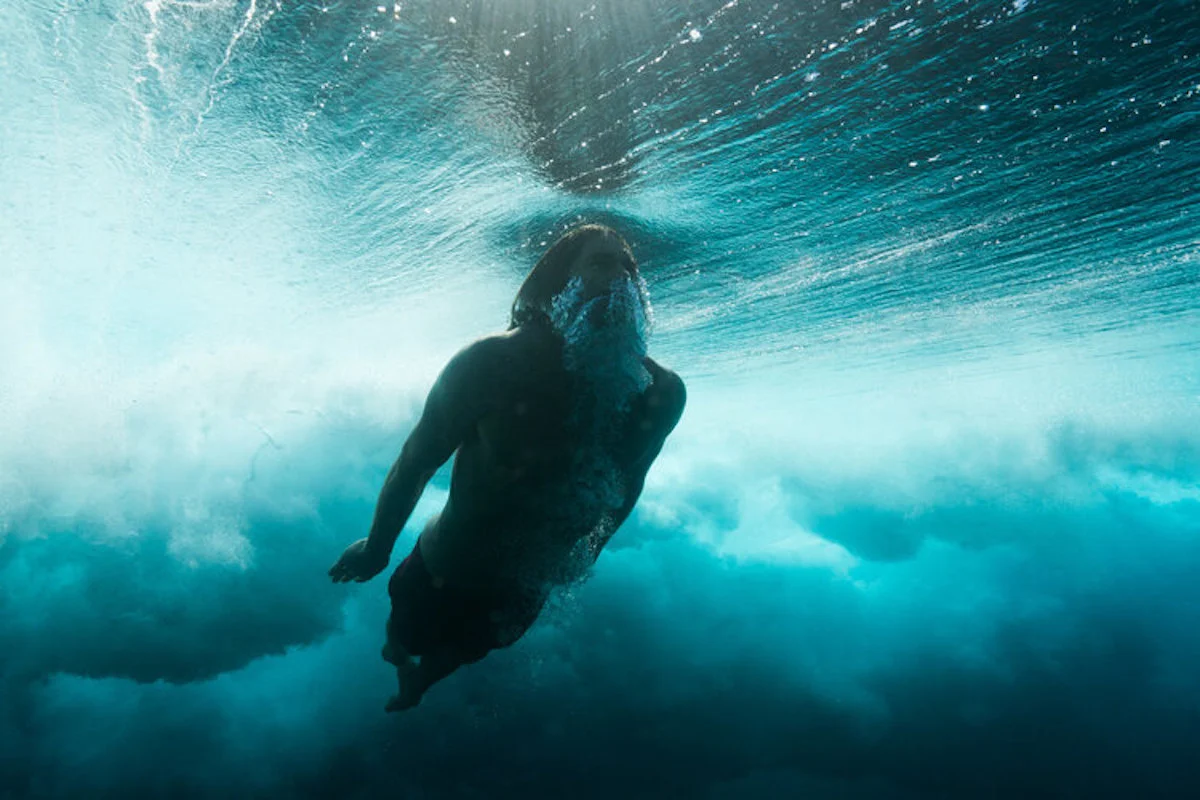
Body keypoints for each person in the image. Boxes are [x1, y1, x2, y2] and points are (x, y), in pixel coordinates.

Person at [328, 224, 686, 712]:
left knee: (466, 651)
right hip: (442, 570)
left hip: (522, 590)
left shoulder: (660, 393)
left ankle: (419, 684)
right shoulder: (493, 363)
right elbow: (414, 462)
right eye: (601, 263)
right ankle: (398, 656)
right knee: (404, 637)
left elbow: (629, 484)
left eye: (630, 269)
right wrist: (377, 548)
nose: (621, 277)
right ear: (560, 283)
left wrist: (591, 552)